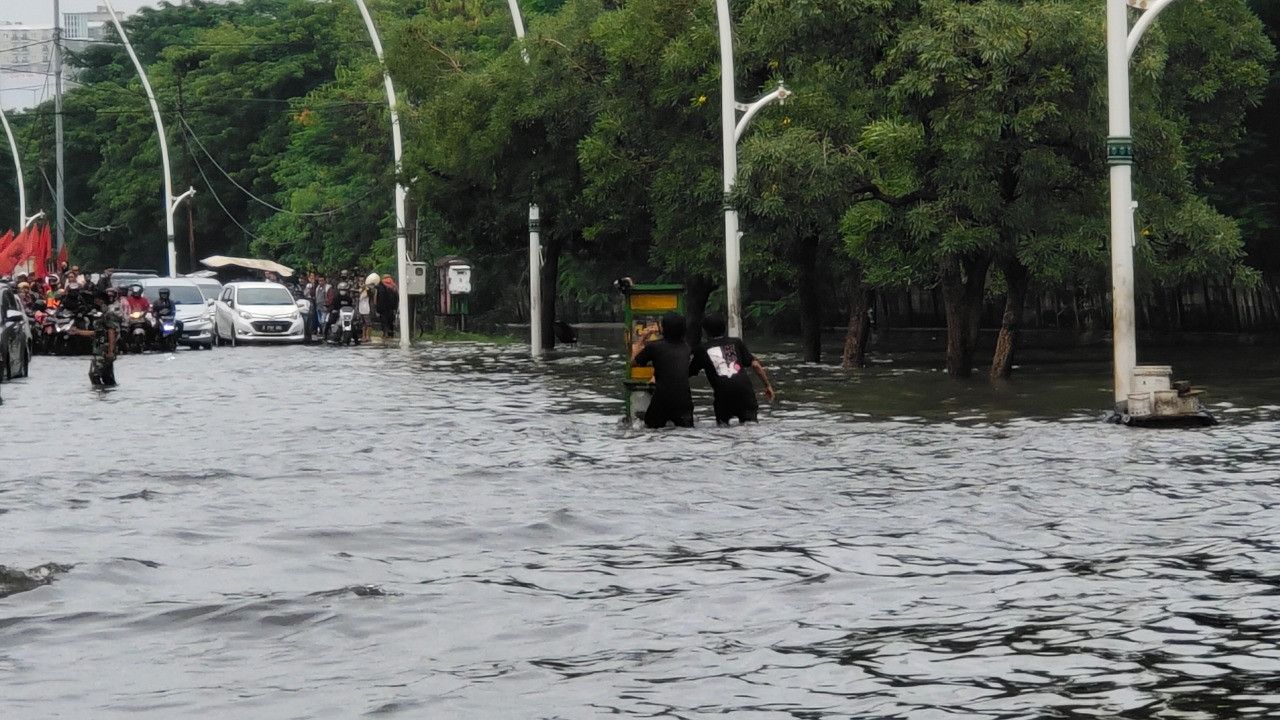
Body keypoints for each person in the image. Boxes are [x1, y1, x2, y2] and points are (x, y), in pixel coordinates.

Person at [690, 313, 775, 426]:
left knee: (723, 428)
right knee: (750, 426)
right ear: (724, 328)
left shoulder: (702, 349)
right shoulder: (736, 342)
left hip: (723, 397)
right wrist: (768, 386)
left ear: (705, 331)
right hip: (745, 394)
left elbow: (688, 372)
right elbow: (755, 365)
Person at [633, 312, 695, 429]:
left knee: (649, 429)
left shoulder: (654, 347)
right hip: (684, 402)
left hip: (662, 400)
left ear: (664, 328)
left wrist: (643, 337)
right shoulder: (686, 348)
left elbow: (633, 362)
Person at [71, 289, 119, 387]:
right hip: (98, 348)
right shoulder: (101, 315)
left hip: (104, 350)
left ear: (101, 300)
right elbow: (97, 333)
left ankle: (102, 394)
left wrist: (110, 351)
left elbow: (111, 332)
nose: (94, 302)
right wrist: (79, 332)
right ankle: (108, 394)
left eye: (96, 300)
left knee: (95, 374)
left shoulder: (108, 314)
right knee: (106, 376)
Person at [376, 274, 398, 339]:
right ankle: (391, 333)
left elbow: (380, 297)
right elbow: (397, 297)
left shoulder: (381, 285)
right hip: (392, 307)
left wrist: (378, 307)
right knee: (390, 321)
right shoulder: (394, 286)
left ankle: (385, 334)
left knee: (384, 321)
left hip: (383, 307)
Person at [358, 272, 378, 343]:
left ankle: (368, 336)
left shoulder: (369, 289)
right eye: (360, 281)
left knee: (369, 323)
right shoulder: (359, 288)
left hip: (368, 308)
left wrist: (365, 288)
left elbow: (371, 295)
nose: (361, 282)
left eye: (362, 281)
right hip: (361, 308)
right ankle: (363, 336)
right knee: (363, 323)